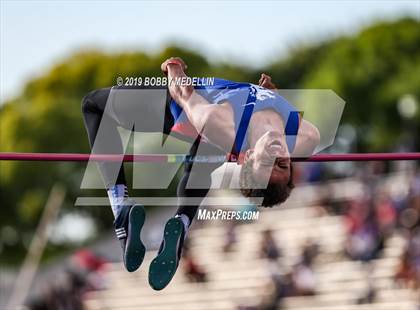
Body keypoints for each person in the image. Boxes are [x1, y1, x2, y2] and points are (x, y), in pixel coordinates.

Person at [81, 57, 320, 290]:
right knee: (203, 159)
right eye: (283, 165)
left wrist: (174, 68)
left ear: (247, 157)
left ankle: (120, 204)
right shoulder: (307, 138)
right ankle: (182, 221)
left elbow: (182, 92)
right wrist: (271, 96)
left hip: (183, 107)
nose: (278, 157)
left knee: (92, 105)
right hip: (216, 129)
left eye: (268, 164)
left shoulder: (217, 122)